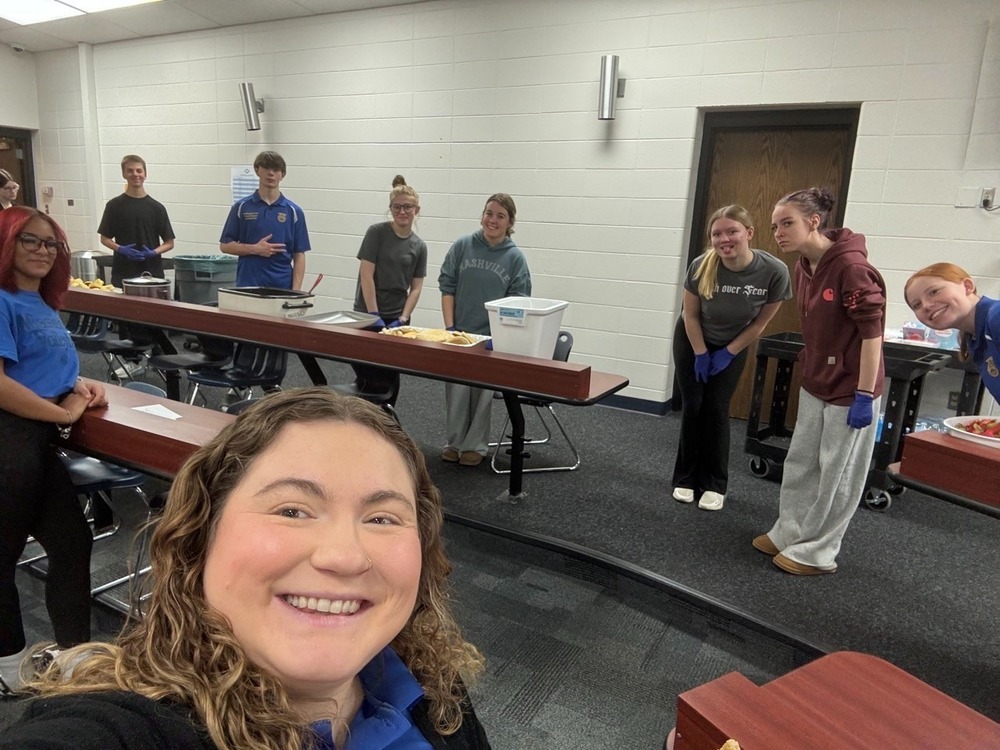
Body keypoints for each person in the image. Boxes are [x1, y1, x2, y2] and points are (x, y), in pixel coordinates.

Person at [0, 388, 491, 749]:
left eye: (382, 518)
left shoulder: (432, 689)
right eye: (292, 510)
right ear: (201, 535)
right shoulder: (123, 729)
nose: (343, 556)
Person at [0, 207, 108, 696]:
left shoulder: (38, 302)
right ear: (6, 242)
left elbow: (40, 367)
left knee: (72, 544)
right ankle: (8, 663)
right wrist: (66, 414)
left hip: (33, 441)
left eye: (51, 244)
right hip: (9, 436)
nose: (43, 251)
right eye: (30, 241)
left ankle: (73, 659)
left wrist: (79, 384)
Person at [753, 187, 886, 576]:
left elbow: (871, 334)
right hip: (817, 379)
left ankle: (819, 551)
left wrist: (864, 394)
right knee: (802, 461)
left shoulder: (851, 268)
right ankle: (790, 530)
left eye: (787, 223)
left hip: (851, 387)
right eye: (775, 226)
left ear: (814, 221)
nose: (779, 232)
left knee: (838, 471)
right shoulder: (803, 266)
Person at [672, 205, 791, 511]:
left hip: (734, 345)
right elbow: (691, 316)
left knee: (715, 409)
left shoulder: (774, 271)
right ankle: (685, 479)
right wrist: (700, 353)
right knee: (694, 406)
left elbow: (760, 323)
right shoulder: (701, 266)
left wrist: (728, 353)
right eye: (717, 234)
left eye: (732, 231)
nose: (724, 239)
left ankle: (714, 484)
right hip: (693, 340)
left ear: (749, 233)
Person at [438, 193, 531, 467]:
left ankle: (475, 446)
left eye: (500, 216)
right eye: (489, 213)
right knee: (456, 391)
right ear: (482, 215)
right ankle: (454, 442)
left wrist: (501, 337)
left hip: (492, 339)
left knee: (481, 395)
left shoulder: (515, 258)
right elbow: (447, 286)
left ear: (510, 222)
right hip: (460, 334)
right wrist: (450, 327)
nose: (493, 220)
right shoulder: (462, 246)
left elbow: (519, 303)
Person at [351, 175, 428, 396]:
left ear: (416, 209)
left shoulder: (419, 246)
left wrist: (403, 318)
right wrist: (373, 314)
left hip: (397, 316)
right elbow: (366, 275)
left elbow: (416, 288)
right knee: (367, 372)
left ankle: (386, 421)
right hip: (369, 313)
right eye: (397, 207)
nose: (402, 212)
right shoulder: (376, 233)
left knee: (390, 377)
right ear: (390, 208)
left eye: (407, 207)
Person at [904, 263, 1000, 402]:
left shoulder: (996, 317)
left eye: (934, 292)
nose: (926, 306)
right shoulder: (973, 338)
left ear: (967, 286)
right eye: (917, 305)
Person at [220, 151, 310, 290]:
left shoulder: (294, 212)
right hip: (248, 286)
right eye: (267, 168)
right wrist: (254, 249)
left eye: (276, 169)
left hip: (282, 288)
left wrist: (296, 291)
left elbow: (299, 254)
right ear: (257, 170)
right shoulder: (241, 207)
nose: (271, 173)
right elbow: (225, 246)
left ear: (282, 175)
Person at [97, 154, 176, 287]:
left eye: (139, 170)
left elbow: (169, 243)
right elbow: (104, 239)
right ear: (124, 174)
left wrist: (153, 252)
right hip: (123, 274)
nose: (135, 174)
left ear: (145, 174)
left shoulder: (157, 208)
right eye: (130, 170)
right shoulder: (114, 206)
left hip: (152, 275)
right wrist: (121, 249)